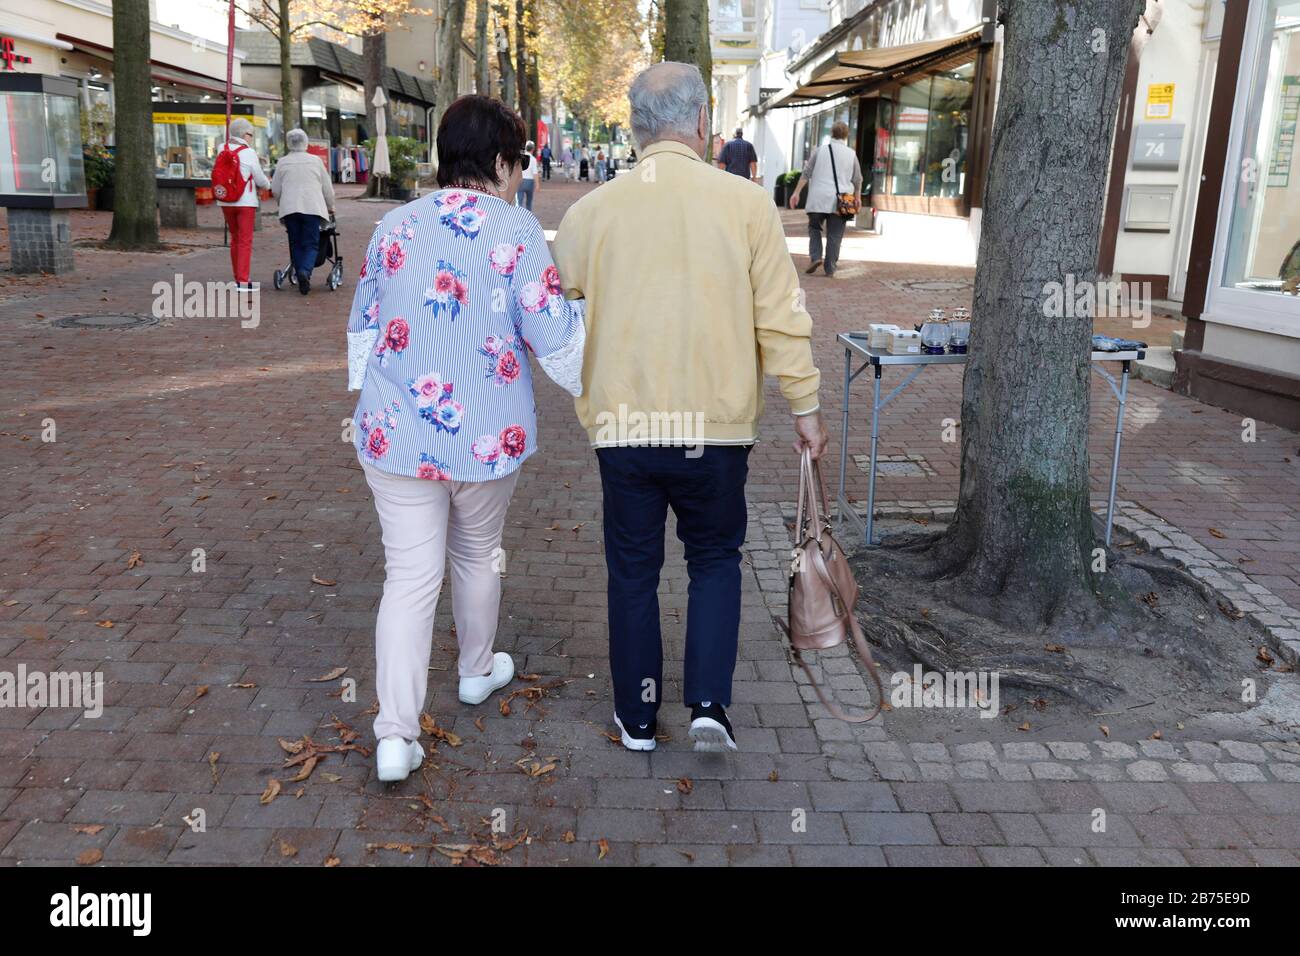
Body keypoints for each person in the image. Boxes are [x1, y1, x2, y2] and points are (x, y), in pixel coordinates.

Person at [552, 62, 827, 754]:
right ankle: (709, 706)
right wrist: (805, 403)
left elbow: (561, 297)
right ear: (703, 123)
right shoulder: (745, 204)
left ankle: (638, 720)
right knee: (713, 561)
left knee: (633, 571)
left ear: (636, 127)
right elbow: (781, 317)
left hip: (626, 424)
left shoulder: (593, 212)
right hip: (717, 425)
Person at [346, 94, 586, 783]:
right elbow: (558, 350)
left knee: (409, 577)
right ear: (503, 161)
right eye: (519, 162)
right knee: (479, 552)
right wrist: (585, 320)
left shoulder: (393, 225)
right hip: (487, 435)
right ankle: (477, 671)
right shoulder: (517, 233)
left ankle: (394, 735)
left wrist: (373, 392)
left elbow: (364, 326)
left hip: (395, 434)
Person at [786, 121, 862, 278]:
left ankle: (815, 257)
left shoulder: (819, 151)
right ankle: (830, 267)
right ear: (846, 135)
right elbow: (857, 179)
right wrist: (858, 197)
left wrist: (796, 193)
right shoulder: (851, 154)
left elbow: (806, 173)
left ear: (831, 133)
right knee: (835, 236)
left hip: (817, 199)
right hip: (840, 202)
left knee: (814, 228)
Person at [271, 128, 336, 295]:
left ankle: (300, 269)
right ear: (306, 142)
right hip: (311, 207)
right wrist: (331, 205)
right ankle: (305, 272)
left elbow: (276, 189)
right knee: (311, 243)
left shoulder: (282, 162)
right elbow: (327, 188)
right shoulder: (315, 161)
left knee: (295, 243)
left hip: (290, 208)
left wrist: (282, 203)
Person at [216, 117, 270, 289]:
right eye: (251, 134)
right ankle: (243, 281)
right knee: (245, 240)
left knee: (235, 239)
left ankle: (237, 277)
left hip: (225, 201)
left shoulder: (221, 148)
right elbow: (260, 178)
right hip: (245, 201)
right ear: (245, 134)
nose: (251, 138)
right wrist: (268, 185)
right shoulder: (248, 152)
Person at [516, 139, 538, 210]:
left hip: (520, 180)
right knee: (529, 202)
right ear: (533, 149)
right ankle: (528, 217)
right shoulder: (533, 159)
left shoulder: (520, 158)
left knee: (519, 202)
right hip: (529, 182)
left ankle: (518, 217)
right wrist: (537, 184)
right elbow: (535, 173)